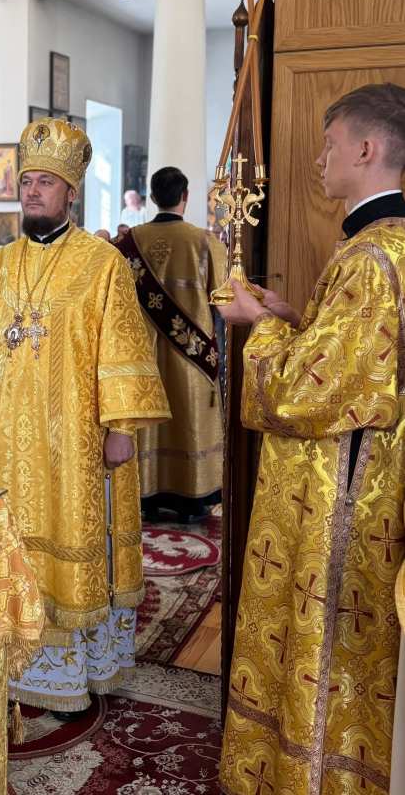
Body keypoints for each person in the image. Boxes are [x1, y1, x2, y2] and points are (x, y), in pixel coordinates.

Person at [0, 117, 170, 716]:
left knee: (69, 544)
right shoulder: (0, 265)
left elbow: (122, 347)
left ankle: (69, 675)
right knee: (1, 541)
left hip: (72, 440)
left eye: (45, 182)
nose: (32, 191)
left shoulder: (102, 263)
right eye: (27, 180)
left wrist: (121, 429)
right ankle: (3, 660)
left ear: (70, 192)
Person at [219, 83, 405, 794]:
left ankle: (315, 774)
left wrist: (258, 325)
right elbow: (363, 362)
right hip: (378, 470)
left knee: (327, 643)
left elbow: (303, 394)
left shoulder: (370, 257)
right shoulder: (385, 244)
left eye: (330, 146)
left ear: (367, 150)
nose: (320, 161)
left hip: (345, 489)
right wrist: (298, 318)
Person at [115, 166, 226, 523]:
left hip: (142, 357)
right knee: (189, 420)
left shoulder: (129, 243)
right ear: (186, 196)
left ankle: (145, 494)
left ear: (151, 197)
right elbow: (224, 298)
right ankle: (193, 495)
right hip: (191, 360)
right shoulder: (204, 242)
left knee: (148, 421)